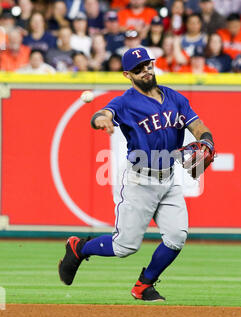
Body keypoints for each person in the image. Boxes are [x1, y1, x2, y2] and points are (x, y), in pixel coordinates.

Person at [58, 46, 215, 302]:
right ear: (127, 75)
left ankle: (143, 286)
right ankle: (79, 247)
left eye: (148, 65)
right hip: (140, 180)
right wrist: (101, 120)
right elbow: (103, 114)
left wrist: (207, 140)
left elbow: (197, 125)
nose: (145, 71)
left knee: (176, 237)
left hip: (168, 178)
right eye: (138, 69)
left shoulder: (175, 98)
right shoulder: (125, 102)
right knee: (124, 247)